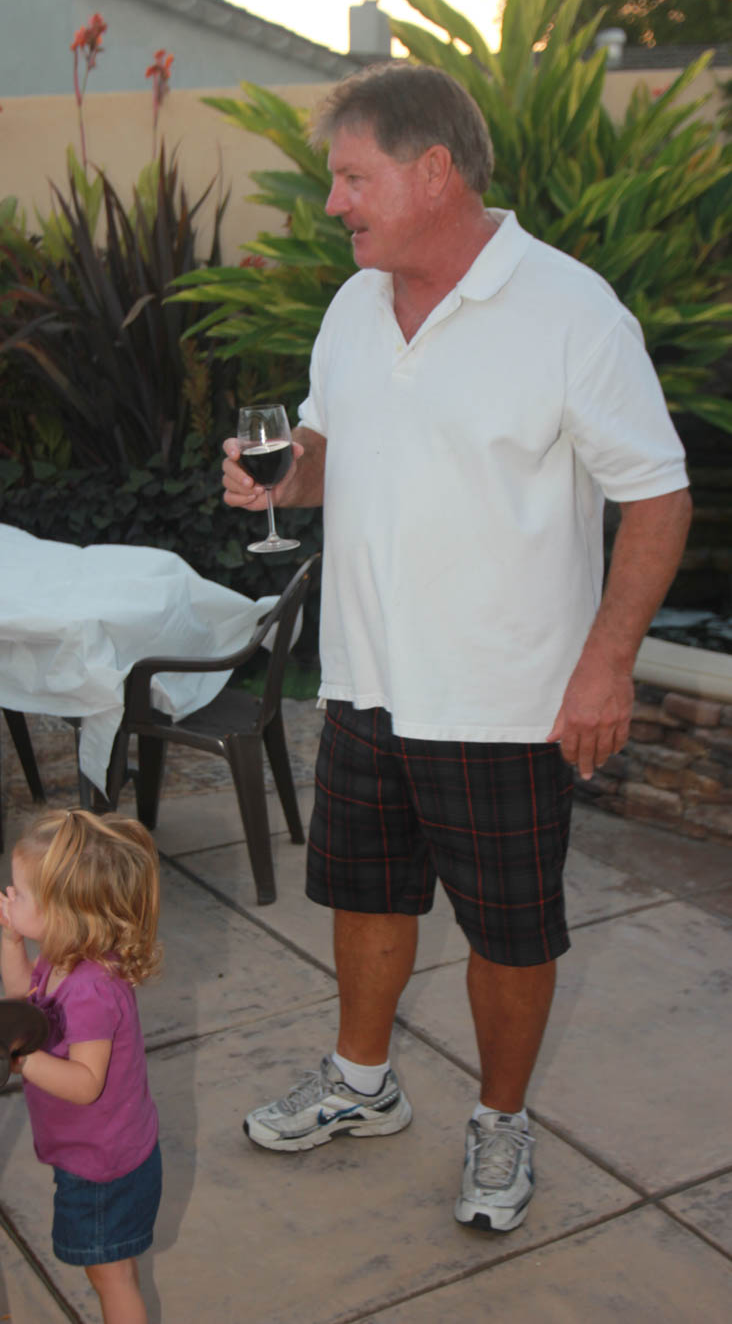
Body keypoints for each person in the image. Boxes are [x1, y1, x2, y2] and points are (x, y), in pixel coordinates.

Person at [221, 62, 692, 1234]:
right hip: (369, 675)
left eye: (352, 178)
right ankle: (362, 1085)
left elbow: (659, 493)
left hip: (506, 695)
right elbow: (328, 452)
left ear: (435, 172)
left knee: (509, 930)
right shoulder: (352, 307)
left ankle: (500, 1120)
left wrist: (606, 661)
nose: (334, 203)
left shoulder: (570, 312)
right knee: (366, 897)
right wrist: (277, 477)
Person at [0, 809, 161, 1323]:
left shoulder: (91, 989)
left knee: (113, 1277)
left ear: (64, 911)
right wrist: (12, 937)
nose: (10, 897)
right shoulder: (62, 958)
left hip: (105, 1167)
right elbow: (22, 1001)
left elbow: (85, 1083)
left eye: (20, 893)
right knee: (109, 1271)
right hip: (90, 1153)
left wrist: (24, 1061)